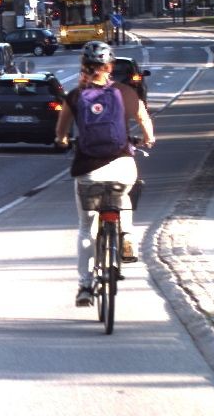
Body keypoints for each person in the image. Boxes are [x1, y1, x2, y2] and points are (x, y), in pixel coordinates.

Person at [55, 39, 155, 308]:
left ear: (83, 67)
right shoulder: (125, 92)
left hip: (88, 171)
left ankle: (85, 286)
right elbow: (144, 120)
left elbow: (61, 130)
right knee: (126, 192)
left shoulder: (75, 96)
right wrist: (148, 139)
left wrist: (62, 140)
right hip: (121, 166)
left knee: (85, 228)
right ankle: (127, 236)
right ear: (110, 67)